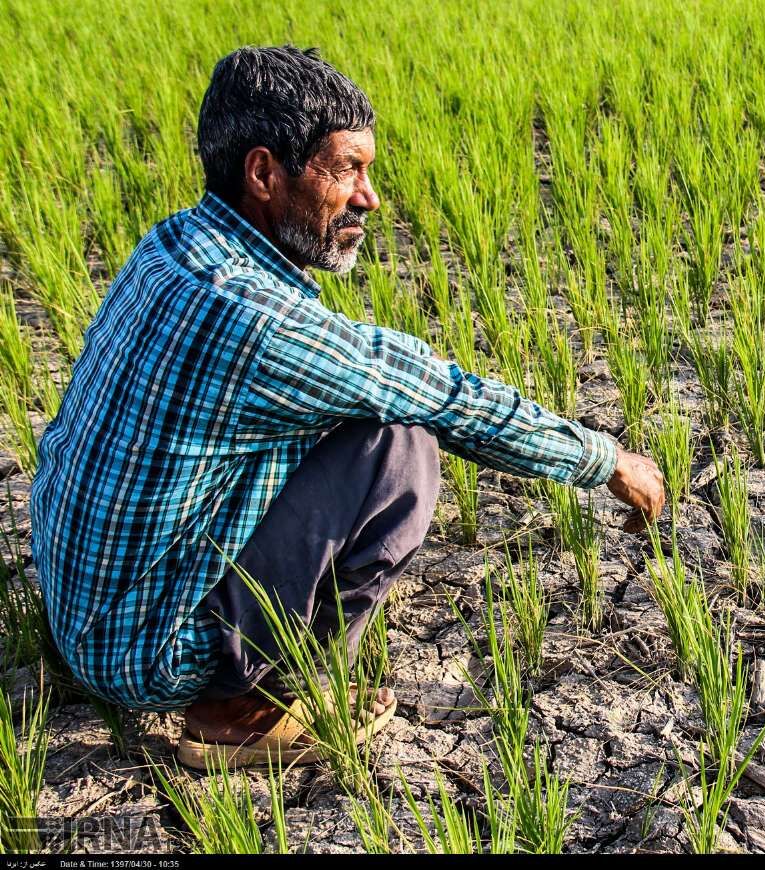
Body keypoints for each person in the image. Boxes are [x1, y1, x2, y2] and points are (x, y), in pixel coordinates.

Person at [28, 45, 664, 769]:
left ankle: (171, 657)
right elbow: (445, 397)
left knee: (330, 420)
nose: (370, 196)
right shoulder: (258, 320)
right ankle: (238, 706)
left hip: (75, 606)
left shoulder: (174, 243)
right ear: (264, 173)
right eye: (346, 169)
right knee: (401, 448)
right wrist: (605, 458)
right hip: (144, 652)